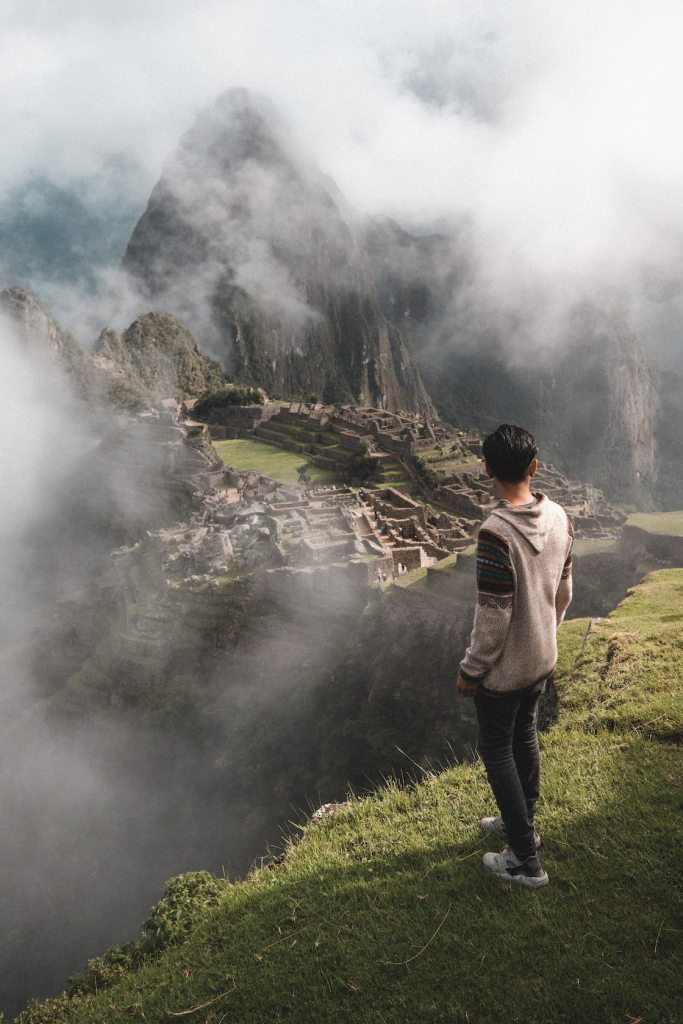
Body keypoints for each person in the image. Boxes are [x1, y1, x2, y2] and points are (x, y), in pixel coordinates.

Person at [456, 424, 573, 888]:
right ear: (535, 466)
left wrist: (472, 669)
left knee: (495, 749)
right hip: (543, 657)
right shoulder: (562, 518)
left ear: (487, 470)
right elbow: (564, 591)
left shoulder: (495, 533)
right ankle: (522, 823)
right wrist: (547, 633)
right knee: (524, 736)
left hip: (505, 670)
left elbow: (493, 615)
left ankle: (524, 860)